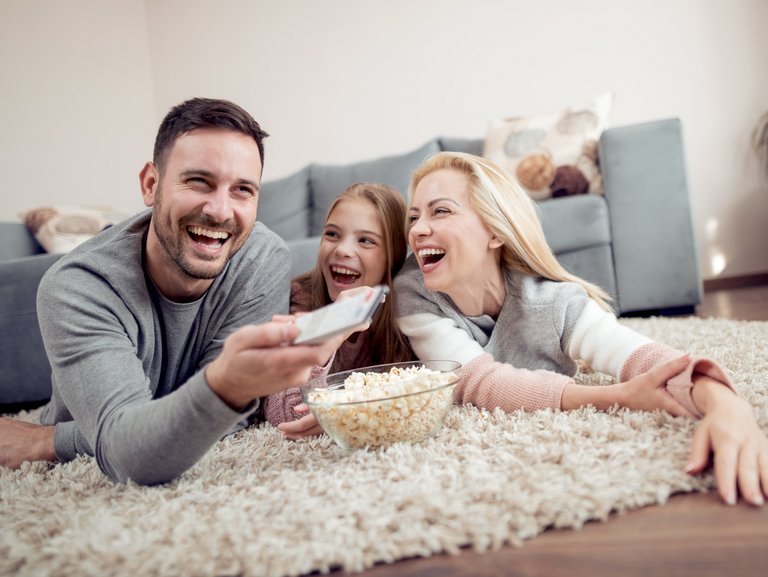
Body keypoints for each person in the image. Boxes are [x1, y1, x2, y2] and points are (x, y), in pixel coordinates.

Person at [0, 98, 352, 485]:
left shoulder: (263, 258)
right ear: (151, 185)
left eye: (242, 190)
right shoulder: (76, 287)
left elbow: (228, 420)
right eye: (199, 181)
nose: (220, 211)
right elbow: (133, 457)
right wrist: (229, 385)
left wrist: (50, 440)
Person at [394, 151, 768, 507]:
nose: (418, 230)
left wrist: (726, 405)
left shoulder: (552, 302)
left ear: (495, 231)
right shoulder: (412, 294)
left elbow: (641, 356)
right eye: (414, 217)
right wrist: (619, 396)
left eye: (440, 211)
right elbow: (477, 382)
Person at [264, 182, 415, 439]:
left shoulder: (407, 307)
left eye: (366, 240)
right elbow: (286, 417)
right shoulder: (297, 300)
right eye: (332, 234)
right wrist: (332, 326)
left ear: (393, 256)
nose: (342, 250)